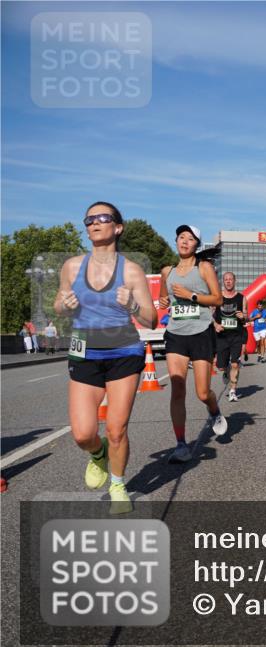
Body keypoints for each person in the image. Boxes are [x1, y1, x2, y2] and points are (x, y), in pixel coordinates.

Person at [53, 201, 157, 514]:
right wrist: (64, 304)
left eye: (103, 218)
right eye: (89, 219)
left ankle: (117, 483)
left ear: (118, 227)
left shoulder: (132, 270)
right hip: (85, 350)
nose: (94, 223)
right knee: (84, 433)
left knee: (115, 429)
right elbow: (59, 305)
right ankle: (97, 455)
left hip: (124, 351)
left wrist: (133, 307)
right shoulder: (72, 266)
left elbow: (151, 320)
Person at [160, 225, 228, 463]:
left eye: (190, 239)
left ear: (197, 245)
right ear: (176, 241)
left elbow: (218, 299)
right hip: (176, 333)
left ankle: (214, 411)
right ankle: (180, 444)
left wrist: (192, 296)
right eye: (181, 237)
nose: (185, 242)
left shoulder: (204, 267)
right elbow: (163, 299)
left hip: (201, 332)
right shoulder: (167, 271)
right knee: (177, 389)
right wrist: (162, 302)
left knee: (202, 392)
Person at [212, 271, 247, 401]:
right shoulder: (217, 297)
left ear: (234, 281)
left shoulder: (242, 298)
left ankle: (233, 390)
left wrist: (243, 317)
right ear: (223, 281)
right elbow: (209, 315)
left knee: (234, 364)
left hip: (236, 336)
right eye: (226, 279)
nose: (228, 281)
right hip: (221, 336)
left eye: (230, 279)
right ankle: (226, 371)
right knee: (221, 366)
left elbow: (246, 317)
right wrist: (215, 325)